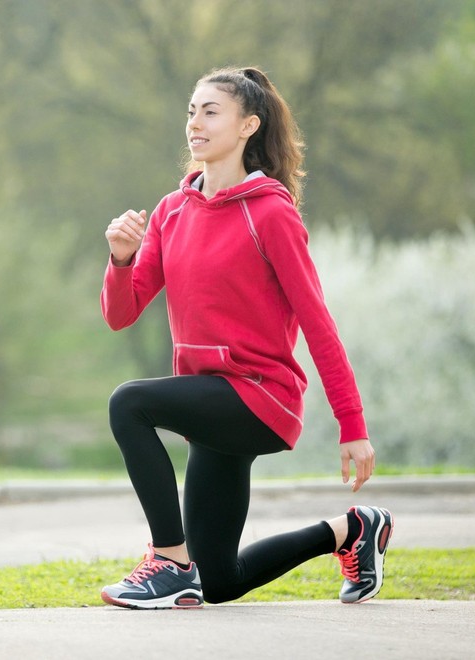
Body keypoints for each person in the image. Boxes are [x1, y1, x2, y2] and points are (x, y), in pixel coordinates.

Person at [98, 66, 393, 610]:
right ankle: (352, 531)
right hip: (213, 405)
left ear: (248, 126)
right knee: (221, 581)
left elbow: (318, 324)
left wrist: (353, 426)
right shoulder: (172, 211)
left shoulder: (271, 212)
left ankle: (168, 560)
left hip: (260, 396)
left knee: (129, 403)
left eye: (211, 112)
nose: (196, 123)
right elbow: (122, 313)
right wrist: (120, 260)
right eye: (192, 111)